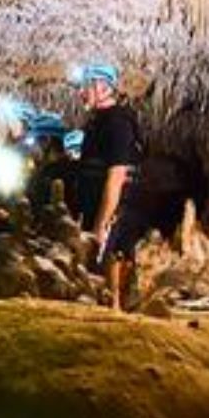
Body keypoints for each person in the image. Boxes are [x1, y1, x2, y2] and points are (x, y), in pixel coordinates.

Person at [73, 63, 148, 310]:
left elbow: (116, 175)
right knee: (98, 262)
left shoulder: (118, 123)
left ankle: (113, 312)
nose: (82, 92)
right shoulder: (97, 123)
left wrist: (101, 224)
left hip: (115, 206)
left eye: (86, 86)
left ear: (103, 87)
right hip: (96, 202)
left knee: (103, 259)